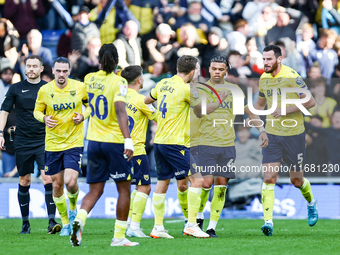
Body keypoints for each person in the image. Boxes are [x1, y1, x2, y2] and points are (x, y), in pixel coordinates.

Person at [70, 44, 138, 247]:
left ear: (98, 60)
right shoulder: (120, 82)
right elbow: (120, 111)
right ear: (117, 61)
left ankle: (79, 220)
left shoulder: (90, 78)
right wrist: (128, 139)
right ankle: (118, 237)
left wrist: (83, 116)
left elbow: (91, 104)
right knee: (124, 190)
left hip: (94, 141)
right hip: (115, 142)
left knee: (95, 189)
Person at [192, 55, 268, 238]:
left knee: (221, 184)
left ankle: (211, 227)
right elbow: (199, 112)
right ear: (209, 70)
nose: (217, 72)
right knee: (206, 183)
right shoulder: (201, 89)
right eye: (214, 69)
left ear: (226, 70)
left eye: (221, 69)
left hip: (227, 144)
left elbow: (250, 112)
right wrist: (219, 100)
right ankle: (199, 217)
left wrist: (263, 130)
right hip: (205, 142)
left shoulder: (234, 90)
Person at [144, 55, 213, 239]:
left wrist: (156, 116)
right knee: (197, 180)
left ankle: (158, 227)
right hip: (176, 144)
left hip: (159, 141)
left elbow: (146, 101)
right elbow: (200, 112)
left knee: (162, 183)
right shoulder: (186, 89)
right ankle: (191, 224)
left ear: (177, 68)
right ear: (192, 72)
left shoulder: (163, 84)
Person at [254, 45, 318, 236]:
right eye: (263, 59)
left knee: (296, 181)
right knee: (269, 177)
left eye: (269, 59)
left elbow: (310, 102)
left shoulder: (292, 76)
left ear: (279, 59)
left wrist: (285, 110)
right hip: (272, 135)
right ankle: (268, 222)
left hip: (294, 135)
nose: (265, 63)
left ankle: (311, 203)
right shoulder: (263, 79)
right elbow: (260, 104)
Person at [0, 55, 60, 234]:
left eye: (35, 66)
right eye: (29, 66)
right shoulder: (15, 88)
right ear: (25, 69)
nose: (31, 69)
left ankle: (51, 221)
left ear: (41, 69)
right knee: (24, 180)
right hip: (23, 141)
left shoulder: (48, 88)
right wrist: (0, 133)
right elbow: (4, 111)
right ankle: (25, 224)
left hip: (44, 140)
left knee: (48, 177)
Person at [33, 57, 91, 236]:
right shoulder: (44, 90)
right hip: (53, 143)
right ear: (53, 71)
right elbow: (36, 111)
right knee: (57, 185)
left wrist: (83, 116)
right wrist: (44, 118)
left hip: (74, 142)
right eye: (58, 71)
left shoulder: (79, 87)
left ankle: (73, 208)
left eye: (65, 71)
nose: (61, 74)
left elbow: (90, 106)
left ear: (69, 71)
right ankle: (66, 223)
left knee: (70, 181)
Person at [120, 65, 158, 238]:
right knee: (144, 187)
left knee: (131, 187)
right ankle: (134, 226)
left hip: (118, 147)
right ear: (139, 80)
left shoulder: (117, 98)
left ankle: (128, 223)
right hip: (136, 149)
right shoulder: (141, 100)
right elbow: (158, 117)